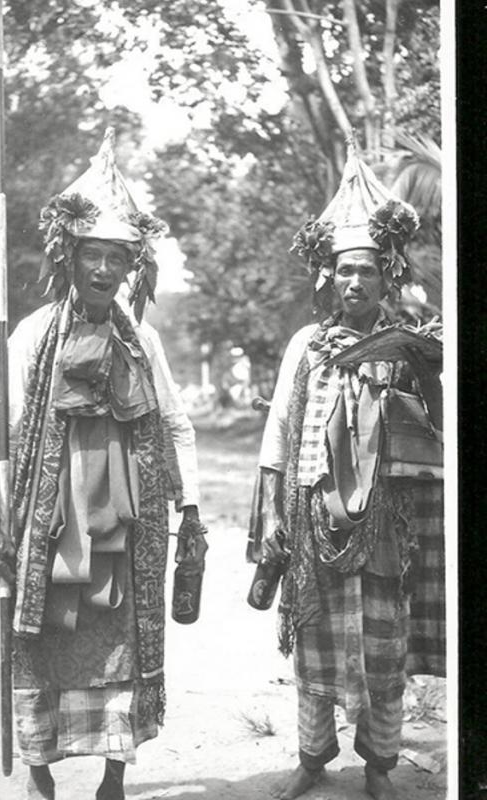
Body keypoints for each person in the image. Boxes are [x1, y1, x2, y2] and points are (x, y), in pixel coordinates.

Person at [0, 128, 207, 800]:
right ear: (69, 259)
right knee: (42, 631)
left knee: (121, 638)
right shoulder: (31, 335)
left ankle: (113, 777)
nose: (104, 271)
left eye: (116, 259)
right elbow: (4, 426)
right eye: (92, 256)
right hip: (47, 518)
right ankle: (41, 772)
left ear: (129, 267)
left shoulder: (145, 342)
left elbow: (173, 421)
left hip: (124, 521)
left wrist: (189, 505)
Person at [250, 143, 444, 800]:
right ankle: (312, 758)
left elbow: (434, 431)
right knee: (315, 646)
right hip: (314, 519)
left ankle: (380, 766)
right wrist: (275, 512)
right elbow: (279, 431)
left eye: (365, 271)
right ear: (327, 279)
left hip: (385, 519)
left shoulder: (411, 345)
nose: (353, 283)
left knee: (382, 646)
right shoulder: (307, 347)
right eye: (342, 273)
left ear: (387, 278)